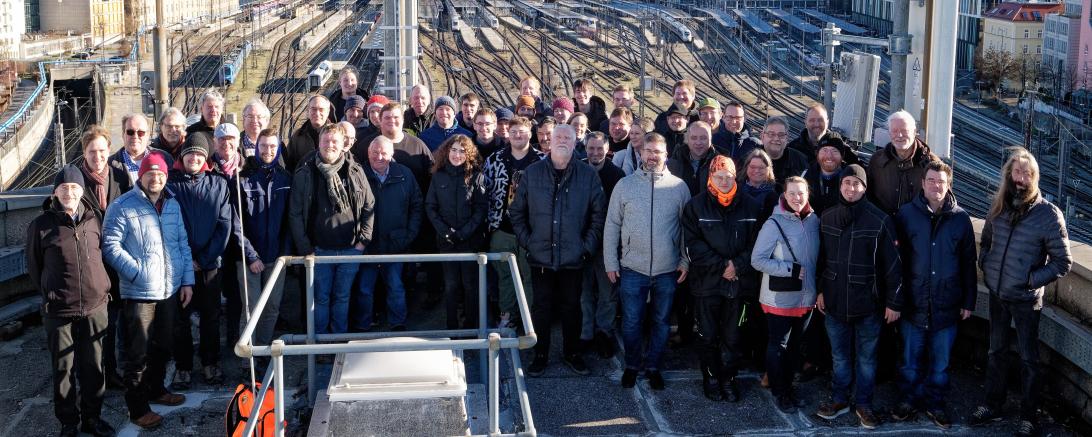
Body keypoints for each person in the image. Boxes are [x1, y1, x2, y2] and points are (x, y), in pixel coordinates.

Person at [970, 149, 1072, 437]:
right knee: (996, 351)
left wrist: (1031, 280)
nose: (1021, 178)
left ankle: (1028, 416)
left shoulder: (1049, 214)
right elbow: (987, 242)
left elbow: (1063, 262)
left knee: (1030, 359)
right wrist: (987, 266)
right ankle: (992, 404)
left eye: (1028, 174)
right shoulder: (999, 207)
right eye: (1017, 172)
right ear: (1009, 174)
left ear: (1035, 178)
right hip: (998, 293)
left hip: (1027, 300)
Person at [101, 152, 193, 429]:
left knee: (163, 346)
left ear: (166, 176)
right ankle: (137, 407)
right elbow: (110, 245)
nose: (156, 178)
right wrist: (137, 272)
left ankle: (157, 389)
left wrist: (187, 280)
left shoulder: (173, 204)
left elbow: (182, 244)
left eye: (161, 174)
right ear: (141, 176)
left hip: (169, 289)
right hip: (140, 292)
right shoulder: (123, 205)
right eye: (150, 173)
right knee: (137, 353)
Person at [510, 124, 606, 377]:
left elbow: (598, 215)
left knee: (571, 308)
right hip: (540, 256)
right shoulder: (532, 173)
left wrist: (586, 247)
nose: (562, 140)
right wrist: (528, 242)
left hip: (574, 257)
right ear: (549, 142)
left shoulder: (587, 175)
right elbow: (516, 212)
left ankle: (571, 353)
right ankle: (540, 355)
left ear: (576, 143)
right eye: (558, 137)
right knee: (541, 308)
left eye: (568, 137)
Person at [27, 167, 116, 437]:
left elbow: (103, 256)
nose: (69, 192)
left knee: (93, 366)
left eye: (74, 187)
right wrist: (52, 293)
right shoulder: (41, 226)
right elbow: (35, 266)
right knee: (63, 369)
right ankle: (68, 422)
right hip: (59, 309)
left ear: (81, 191)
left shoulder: (94, 218)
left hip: (95, 305)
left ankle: (93, 418)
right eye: (63, 188)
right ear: (55, 192)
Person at [814, 164, 903, 430]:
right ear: (840, 186)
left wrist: (893, 302)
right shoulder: (827, 217)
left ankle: (864, 403)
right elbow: (821, 260)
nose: (851, 189)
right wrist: (820, 289)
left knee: (866, 358)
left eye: (856, 184)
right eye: (846, 183)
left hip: (869, 304)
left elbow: (893, 265)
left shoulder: (880, 220)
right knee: (839, 357)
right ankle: (840, 399)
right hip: (834, 301)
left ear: (864, 188)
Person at [888, 161, 977, 429]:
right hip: (913, 302)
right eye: (931, 180)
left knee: (940, 364)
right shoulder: (906, 214)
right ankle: (908, 400)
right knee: (910, 361)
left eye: (941, 181)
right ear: (923, 183)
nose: (936, 185)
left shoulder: (960, 219)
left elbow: (968, 263)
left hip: (946, 303)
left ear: (948, 184)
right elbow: (896, 261)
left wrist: (968, 301)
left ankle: (936, 403)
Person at [604, 133, 691, 390]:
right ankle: (632, 365)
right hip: (632, 268)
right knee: (631, 322)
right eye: (648, 151)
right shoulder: (625, 185)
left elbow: (686, 230)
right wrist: (611, 261)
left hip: (667, 269)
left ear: (666, 155)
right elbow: (612, 225)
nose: (653, 156)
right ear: (641, 153)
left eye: (658, 152)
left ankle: (654, 366)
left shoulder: (679, 187)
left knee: (661, 322)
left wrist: (685, 261)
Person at [681, 155, 760, 402]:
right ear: (710, 178)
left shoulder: (750, 205)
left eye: (728, 176)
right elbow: (692, 245)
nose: (724, 181)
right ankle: (712, 377)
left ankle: (729, 378)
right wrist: (722, 266)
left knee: (734, 336)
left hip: (739, 284)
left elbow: (757, 243)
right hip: (707, 284)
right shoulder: (696, 206)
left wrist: (737, 265)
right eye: (719, 176)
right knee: (707, 334)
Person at [288, 124, 375, 336]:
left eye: (334, 141)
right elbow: (295, 213)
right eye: (326, 141)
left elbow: (369, 205)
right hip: (319, 251)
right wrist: (305, 248)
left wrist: (363, 241)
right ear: (319, 143)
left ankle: (338, 341)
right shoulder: (306, 172)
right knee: (321, 298)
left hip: (350, 249)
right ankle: (321, 342)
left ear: (343, 143)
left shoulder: (354, 169)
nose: (330, 145)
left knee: (343, 297)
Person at [166, 131, 233, 388]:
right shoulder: (170, 185)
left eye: (199, 153)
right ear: (182, 156)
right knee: (180, 319)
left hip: (210, 265)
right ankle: (183, 367)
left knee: (211, 316)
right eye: (190, 153)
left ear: (205, 157)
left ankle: (210, 362)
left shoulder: (218, 184)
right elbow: (167, 227)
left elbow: (224, 225)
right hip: (180, 265)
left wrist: (204, 258)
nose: (194, 157)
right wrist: (186, 259)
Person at [750, 176, 819, 413]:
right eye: (792, 193)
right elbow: (757, 260)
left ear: (807, 194)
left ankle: (788, 386)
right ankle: (780, 391)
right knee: (778, 344)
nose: (797, 198)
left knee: (795, 345)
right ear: (784, 195)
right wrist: (789, 269)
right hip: (779, 296)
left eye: (801, 193)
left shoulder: (814, 220)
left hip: (806, 296)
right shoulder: (774, 222)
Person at [77, 126, 131, 389]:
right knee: (94, 326)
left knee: (114, 321)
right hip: (90, 264)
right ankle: (94, 375)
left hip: (116, 263)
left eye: (101, 151)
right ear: (84, 153)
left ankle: (111, 371)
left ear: (108, 151)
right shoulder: (76, 180)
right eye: (92, 152)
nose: (97, 156)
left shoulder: (120, 177)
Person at [355, 136, 423, 331]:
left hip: (396, 243)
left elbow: (417, 205)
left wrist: (409, 234)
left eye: (384, 152)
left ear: (392, 153)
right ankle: (362, 325)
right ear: (368, 153)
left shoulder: (405, 174)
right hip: (367, 244)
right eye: (375, 152)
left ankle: (397, 324)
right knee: (364, 289)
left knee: (396, 287)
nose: (379, 156)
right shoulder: (359, 174)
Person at [484, 116, 543, 330]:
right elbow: (486, 192)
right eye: (514, 131)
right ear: (507, 134)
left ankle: (527, 319)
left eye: (523, 131)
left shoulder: (542, 160)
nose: (519, 135)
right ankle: (507, 315)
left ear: (530, 133)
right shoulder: (494, 160)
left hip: (531, 230)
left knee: (529, 276)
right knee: (504, 276)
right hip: (502, 228)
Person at [236, 129, 291, 357]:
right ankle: (246, 358)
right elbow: (236, 223)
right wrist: (251, 256)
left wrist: (284, 255)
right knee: (251, 310)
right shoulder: (244, 178)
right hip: (250, 258)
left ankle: (263, 353)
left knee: (271, 308)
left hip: (276, 257)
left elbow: (290, 220)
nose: (268, 151)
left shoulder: (286, 179)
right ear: (256, 148)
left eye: (272, 147)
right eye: (263, 146)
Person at [426, 135, 488, 329]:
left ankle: (471, 327)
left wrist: (464, 232)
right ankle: (451, 327)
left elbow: (481, 209)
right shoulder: (438, 176)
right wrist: (446, 231)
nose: (457, 154)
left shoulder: (477, 176)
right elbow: (431, 206)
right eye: (453, 150)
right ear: (447, 151)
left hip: (470, 241)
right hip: (447, 242)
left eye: (462, 150)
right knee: (451, 286)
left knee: (470, 286)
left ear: (468, 154)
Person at [580, 131, 624, 358]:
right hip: (581, 241)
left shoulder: (616, 175)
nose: (595, 153)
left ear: (607, 150)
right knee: (584, 291)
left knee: (607, 292)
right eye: (591, 148)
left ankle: (604, 332)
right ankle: (586, 333)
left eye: (600, 149)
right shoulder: (577, 168)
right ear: (585, 149)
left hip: (607, 243)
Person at [866, 110, 939, 215]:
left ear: (914, 132)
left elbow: (942, 201)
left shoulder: (931, 164)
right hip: (884, 227)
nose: (899, 135)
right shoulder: (877, 161)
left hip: (917, 228)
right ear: (889, 133)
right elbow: (868, 197)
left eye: (904, 130)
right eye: (894, 131)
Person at [110, 113, 172, 184]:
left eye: (141, 132)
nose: (135, 136)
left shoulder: (165, 158)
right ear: (123, 135)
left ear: (148, 135)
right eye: (130, 132)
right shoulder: (109, 165)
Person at [787, 104, 858, 165]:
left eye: (820, 120)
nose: (817, 124)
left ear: (827, 122)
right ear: (805, 122)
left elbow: (857, 168)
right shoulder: (792, 148)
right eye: (812, 120)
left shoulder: (839, 146)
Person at [667, 121, 718, 196]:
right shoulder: (673, 163)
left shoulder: (719, 163)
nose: (698, 142)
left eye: (703, 138)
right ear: (687, 139)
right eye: (694, 138)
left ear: (710, 139)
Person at [286, 95, 332, 172]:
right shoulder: (297, 137)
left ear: (328, 112)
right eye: (313, 109)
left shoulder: (337, 135)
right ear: (308, 111)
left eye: (321, 109)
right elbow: (289, 164)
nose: (317, 113)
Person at [760, 117, 808, 183]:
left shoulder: (801, 161)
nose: (776, 138)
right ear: (762, 136)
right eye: (771, 134)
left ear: (787, 138)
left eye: (781, 135)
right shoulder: (750, 160)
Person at [711, 101, 759, 165]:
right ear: (723, 117)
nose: (734, 121)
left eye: (738, 118)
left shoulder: (754, 144)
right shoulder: (712, 142)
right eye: (730, 117)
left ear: (744, 119)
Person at [804, 143, 846, 214]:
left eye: (834, 151)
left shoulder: (851, 179)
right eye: (824, 150)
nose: (829, 156)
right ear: (817, 154)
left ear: (842, 155)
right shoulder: (805, 174)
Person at [738, 149, 778, 217]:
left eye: (761, 167)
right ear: (746, 167)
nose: (756, 171)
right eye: (753, 167)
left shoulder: (776, 194)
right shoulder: (735, 190)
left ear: (769, 169)